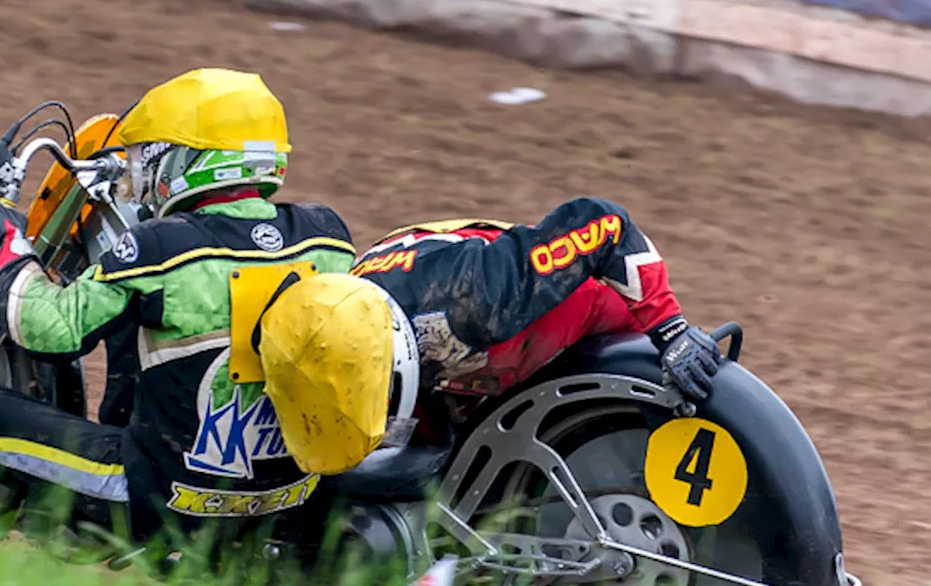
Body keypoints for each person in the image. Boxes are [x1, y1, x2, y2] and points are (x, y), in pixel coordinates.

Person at [0, 68, 367, 547]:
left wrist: (6, 238)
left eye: (149, 158)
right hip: (288, 497)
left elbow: (48, 330)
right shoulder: (328, 238)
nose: (141, 175)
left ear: (187, 159)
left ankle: (82, 524)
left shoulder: (161, 247)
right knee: (140, 327)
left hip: (165, 501)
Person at [253, 199, 723, 477]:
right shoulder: (333, 323)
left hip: (576, 322)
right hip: (458, 358)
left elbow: (603, 224)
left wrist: (672, 332)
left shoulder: (476, 298)